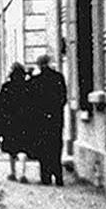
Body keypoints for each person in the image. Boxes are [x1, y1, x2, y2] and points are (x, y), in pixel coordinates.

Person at [31, 54, 67, 186]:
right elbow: (63, 98)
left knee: (43, 147)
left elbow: (32, 102)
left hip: (40, 119)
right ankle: (58, 177)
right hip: (56, 118)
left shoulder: (36, 80)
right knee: (56, 146)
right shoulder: (58, 77)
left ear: (39, 65)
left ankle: (45, 177)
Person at [1, 62, 32, 183]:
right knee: (23, 147)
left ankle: (13, 172)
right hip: (24, 120)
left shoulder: (6, 86)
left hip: (10, 120)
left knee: (11, 149)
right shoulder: (27, 86)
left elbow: (2, 105)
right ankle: (23, 173)